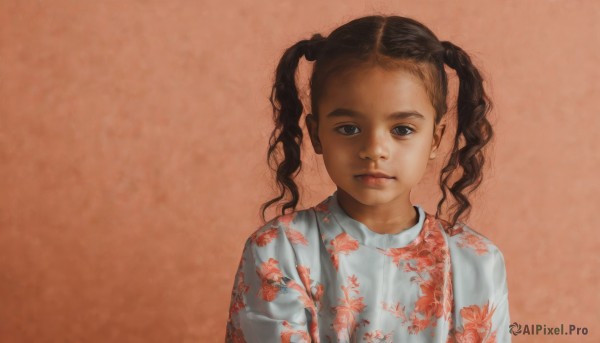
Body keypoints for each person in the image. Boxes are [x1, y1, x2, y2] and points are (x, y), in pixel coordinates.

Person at [225, 14, 510, 343]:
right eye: (349, 128)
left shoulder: (475, 261)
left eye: (402, 130)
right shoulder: (280, 251)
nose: (374, 150)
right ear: (316, 134)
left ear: (434, 139)